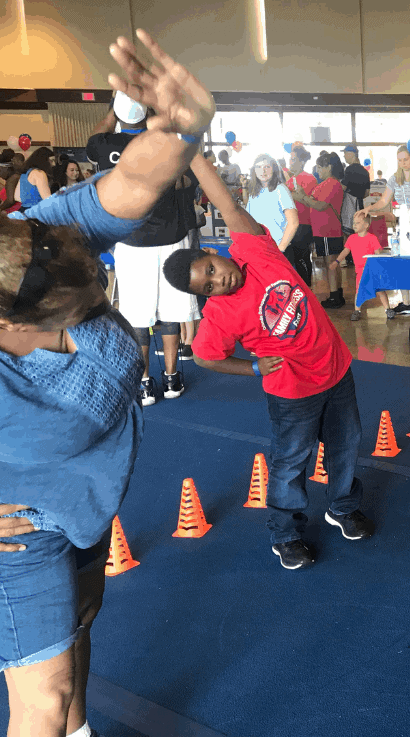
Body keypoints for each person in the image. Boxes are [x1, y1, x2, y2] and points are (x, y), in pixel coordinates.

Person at [0, 27, 215, 737]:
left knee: (80, 629)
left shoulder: (41, 235)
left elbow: (137, 179)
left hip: (91, 497)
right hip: (17, 522)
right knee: (41, 697)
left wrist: (185, 128)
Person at [162, 157, 374, 571]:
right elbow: (206, 355)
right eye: (207, 286)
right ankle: (286, 533)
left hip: (336, 370)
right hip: (293, 392)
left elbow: (227, 203)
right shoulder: (220, 315)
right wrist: (254, 368)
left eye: (211, 269)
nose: (217, 280)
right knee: (291, 462)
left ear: (213, 252)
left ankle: (342, 507)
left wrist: (191, 152)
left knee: (345, 445)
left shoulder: (253, 249)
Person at [89, 90, 202, 405]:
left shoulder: (105, 146)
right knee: (172, 311)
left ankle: (143, 383)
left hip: (131, 239)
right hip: (172, 236)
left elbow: (99, 131)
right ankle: (171, 377)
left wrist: (113, 108)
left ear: (120, 114)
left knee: (137, 315)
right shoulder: (167, 143)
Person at [364, 146, 410, 316]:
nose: (403, 163)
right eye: (400, 160)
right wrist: (369, 208)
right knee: (402, 263)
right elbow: (384, 200)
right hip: (404, 224)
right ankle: (406, 303)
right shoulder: (393, 179)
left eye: (406, 159)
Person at [290, 153, 346, 309]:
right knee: (331, 262)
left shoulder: (331, 184)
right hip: (324, 229)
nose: (318, 170)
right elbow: (311, 201)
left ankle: (335, 295)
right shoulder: (327, 183)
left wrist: (303, 197)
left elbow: (319, 205)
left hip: (328, 229)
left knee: (331, 263)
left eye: (320, 167)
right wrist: (299, 195)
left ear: (329, 167)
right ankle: (337, 293)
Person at [330, 211, 393, 320]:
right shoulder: (351, 238)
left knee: (380, 290)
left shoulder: (372, 238)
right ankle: (357, 311)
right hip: (360, 271)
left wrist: (381, 267)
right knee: (359, 291)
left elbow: (378, 253)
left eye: (357, 223)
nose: (354, 225)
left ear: (366, 225)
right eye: (354, 223)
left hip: (373, 270)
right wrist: (337, 261)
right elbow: (345, 252)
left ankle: (388, 309)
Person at [244, 153, 299, 264]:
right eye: (258, 167)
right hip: (260, 250)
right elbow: (250, 221)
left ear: (274, 169)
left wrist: (280, 250)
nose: (263, 171)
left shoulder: (280, 189)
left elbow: (294, 223)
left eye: (267, 167)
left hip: (278, 251)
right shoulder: (254, 192)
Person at [284, 144, 317, 286]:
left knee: (302, 257)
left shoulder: (309, 178)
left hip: (304, 223)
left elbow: (305, 199)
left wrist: (290, 193)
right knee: (292, 258)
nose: (290, 162)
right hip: (290, 223)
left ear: (302, 162)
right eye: (290, 159)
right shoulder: (290, 180)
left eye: (294, 159)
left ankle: (306, 288)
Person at [342, 145, 371, 212]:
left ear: (351, 154)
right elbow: (367, 193)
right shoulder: (365, 172)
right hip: (360, 206)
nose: (344, 156)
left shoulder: (349, 170)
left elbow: (343, 188)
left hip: (349, 208)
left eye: (345, 154)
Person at [0, 149, 22, 214]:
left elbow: (10, 200)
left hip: (15, 213)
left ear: (6, 168)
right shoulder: (17, 176)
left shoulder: (12, 179)